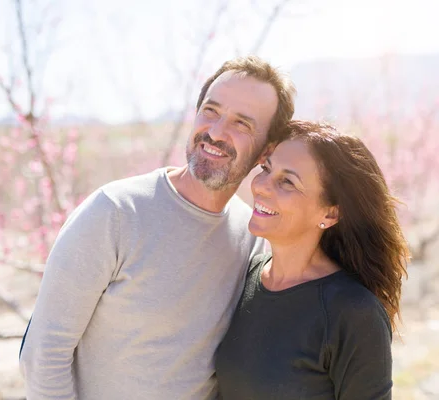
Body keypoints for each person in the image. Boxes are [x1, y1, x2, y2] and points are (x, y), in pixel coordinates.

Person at [19, 56, 296, 400]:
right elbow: (43, 356)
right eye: (210, 110)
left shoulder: (252, 238)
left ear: (266, 152)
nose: (215, 132)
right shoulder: (115, 212)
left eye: (242, 123)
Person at [215, 120, 410, 400]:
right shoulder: (246, 276)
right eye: (266, 169)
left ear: (329, 214)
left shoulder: (353, 312)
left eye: (287, 182)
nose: (261, 186)